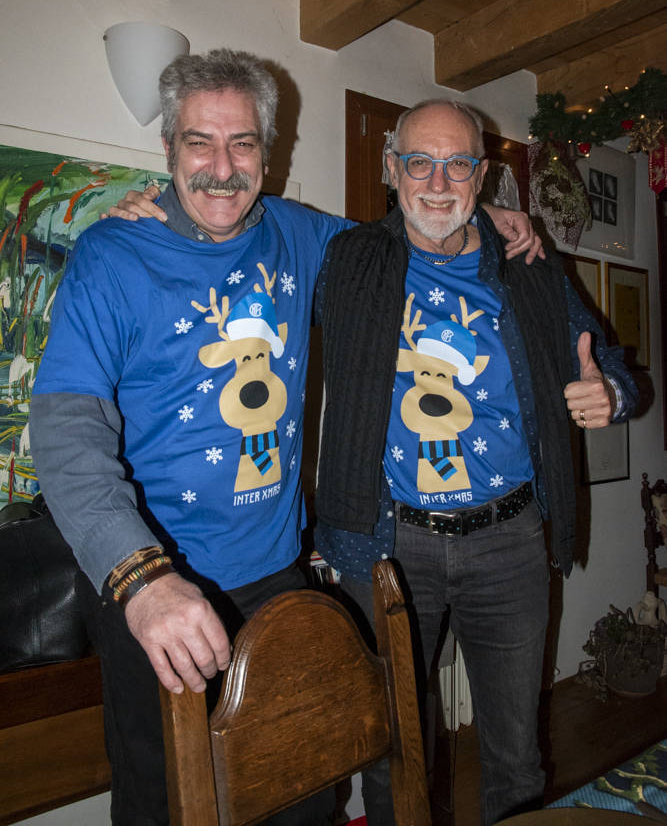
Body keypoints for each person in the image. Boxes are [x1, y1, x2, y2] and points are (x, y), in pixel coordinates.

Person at [30, 48, 540, 826]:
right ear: (167, 148)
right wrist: (143, 582)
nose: (221, 168)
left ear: (268, 153)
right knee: (165, 803)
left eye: (242, 144)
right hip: (156, 585)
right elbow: (66, 429)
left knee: (303, 793)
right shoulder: (113, 255)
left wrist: (487, 219)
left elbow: (411, 232)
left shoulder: (304, 235)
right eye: (199, 143)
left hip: (277, 583)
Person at [314, 99, 637, 826]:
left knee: (516, 758)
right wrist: (159, 206)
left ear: (481, 175)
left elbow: (610, 361)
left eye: (456, 164)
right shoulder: (347, 257)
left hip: (509, 546)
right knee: (394, 758)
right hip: (389, 547)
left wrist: (609, 393)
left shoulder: (528, 267)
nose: (437, 182)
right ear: (391, 168)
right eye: (419, 163)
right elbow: (241, 222)